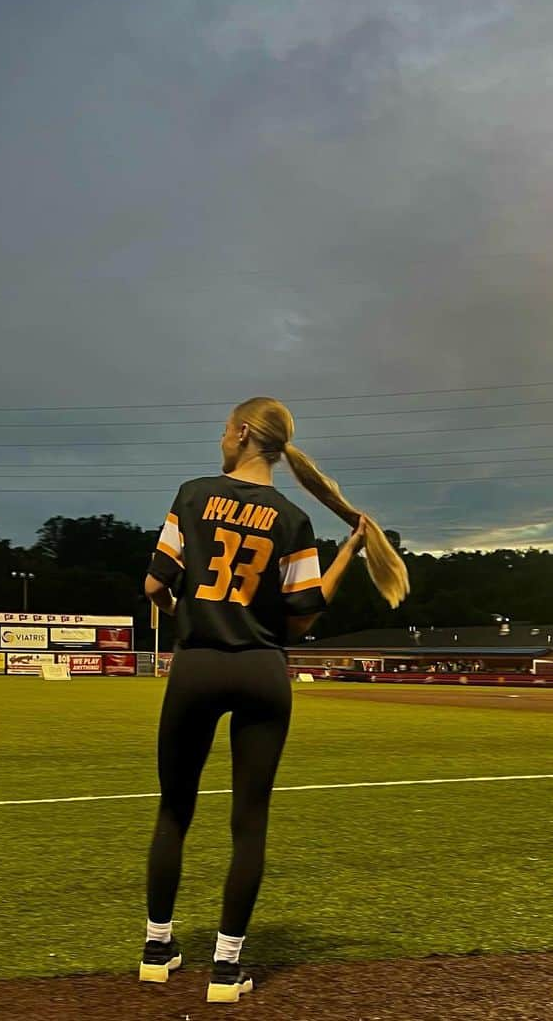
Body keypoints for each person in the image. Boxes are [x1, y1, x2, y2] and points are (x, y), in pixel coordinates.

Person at [138, 396, 409, 1003]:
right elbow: (300, 620)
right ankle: (226, 971)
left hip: (198, 665)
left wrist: (185, 618)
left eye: (222, 429)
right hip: (263, 670)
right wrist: (348, 555)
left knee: (173, 813)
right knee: (249, 823)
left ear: (240, 433)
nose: (219, 438)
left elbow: (156, 583)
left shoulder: (190, 494)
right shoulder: (292, 517)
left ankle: (158, 950)